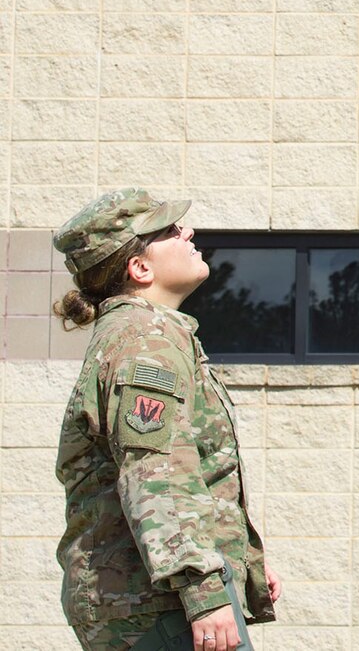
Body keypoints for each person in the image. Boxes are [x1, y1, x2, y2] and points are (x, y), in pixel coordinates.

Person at [52, 189, 280, 651]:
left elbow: (191, 473)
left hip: (152, 597)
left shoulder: (148, 334)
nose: (188, 232)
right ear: (140, 268)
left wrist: (241, 561)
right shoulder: (144, 340)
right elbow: (156, 477)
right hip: (154, 604)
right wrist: (203, 591)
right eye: (171, 230)